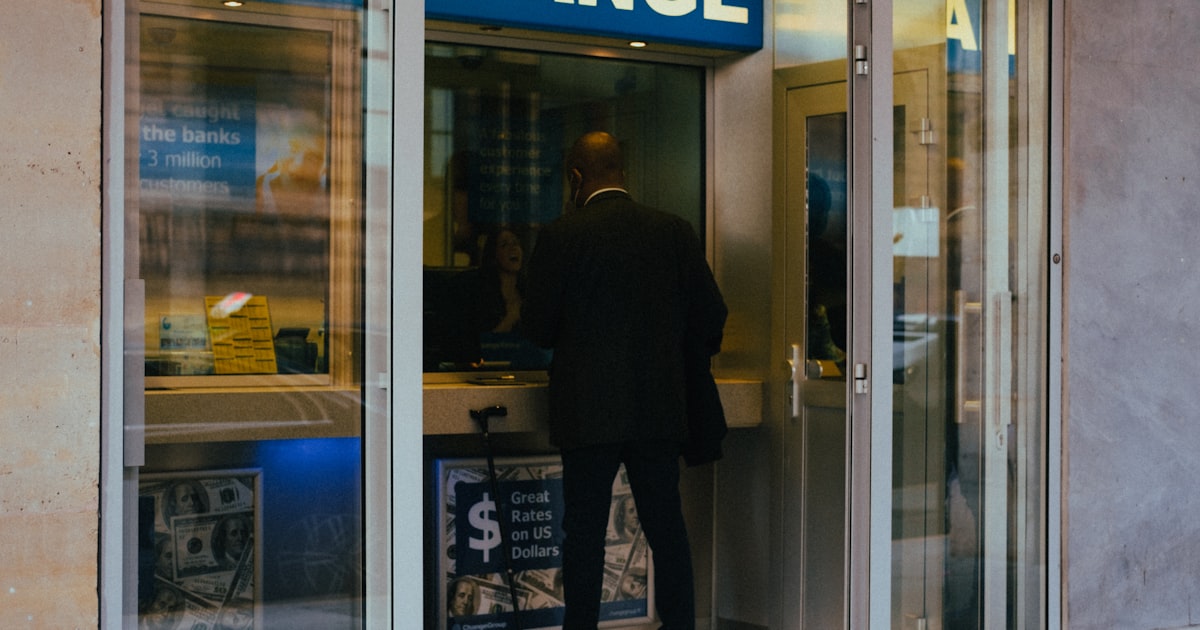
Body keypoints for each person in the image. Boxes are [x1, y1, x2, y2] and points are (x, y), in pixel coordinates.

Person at [522, 131, 727, 630]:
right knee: (666, 529)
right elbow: (711, 314)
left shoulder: (561, 237)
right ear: (623, 173)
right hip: (658, 410)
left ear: (575, 177)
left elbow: (538, 328)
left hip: (587, 413)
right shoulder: (673, 231)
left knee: (585, 535)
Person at [475, 227, 525, 334]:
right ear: (493, 255)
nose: (513, 248)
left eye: (516, 243)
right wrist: (510, 319)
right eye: (504, 244)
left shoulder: (529, 291)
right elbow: (483, 344)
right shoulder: (481, 295)